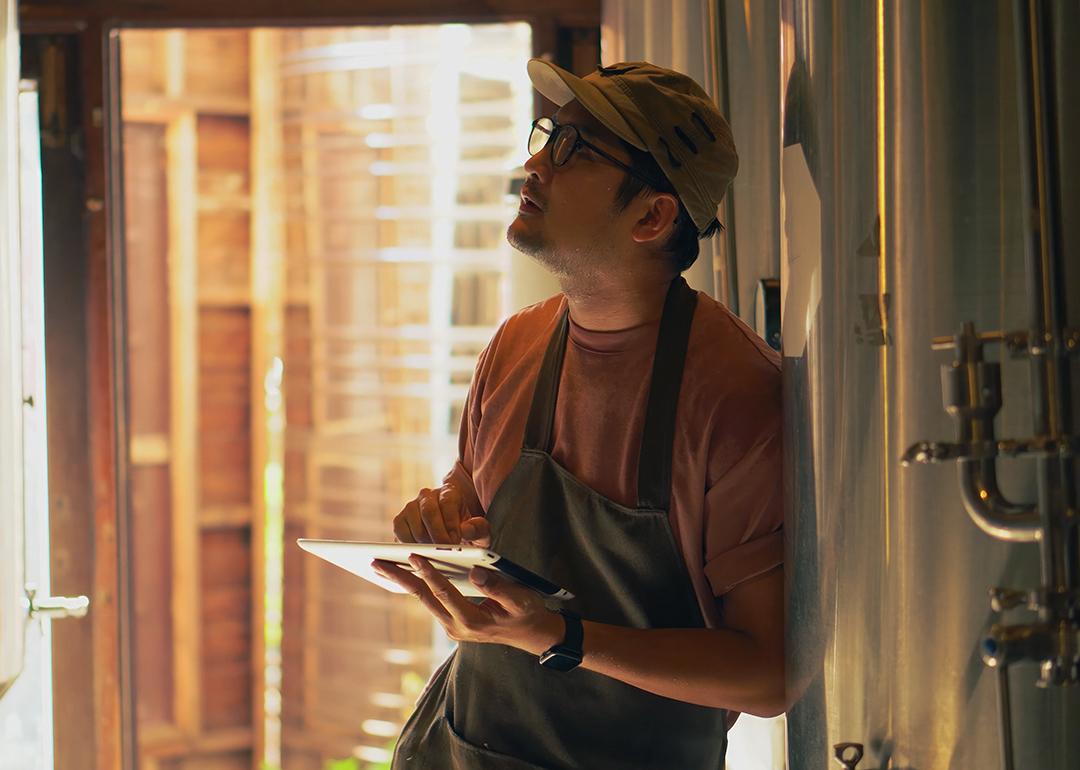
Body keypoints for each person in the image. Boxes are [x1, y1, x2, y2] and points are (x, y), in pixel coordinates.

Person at [374, 59, 784, 769]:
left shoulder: (733, 393)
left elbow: (766, 675)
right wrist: (443, 519)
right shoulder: (517, 342)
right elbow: (469, 490)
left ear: (652, 216)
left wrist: (561, 637)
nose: (534, 164)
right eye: (547, 135)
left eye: (573, 149)